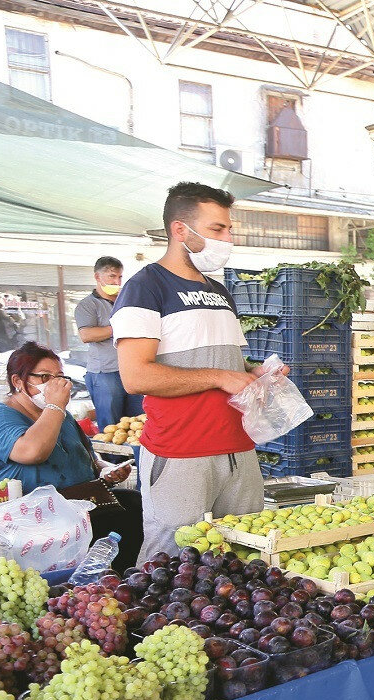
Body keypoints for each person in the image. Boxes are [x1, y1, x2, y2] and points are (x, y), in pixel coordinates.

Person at [113, 181, 283, 564]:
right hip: (181, 452)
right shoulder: (144, 288)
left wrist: (256, 372)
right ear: (180, 230)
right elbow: (136, 377)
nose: (227, 238)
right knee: (170, 562)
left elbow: (228, 364)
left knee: (242, 559)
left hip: (239, 449)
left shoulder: (220, 291)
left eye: (229, 229)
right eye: (217, 229)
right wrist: (219, 378)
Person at [0, 343, 142, 572]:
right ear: (18, 382)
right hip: (39, 521)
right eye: (45, 377)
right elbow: (33, 452)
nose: (57, 384)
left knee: (135, 506)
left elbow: (84, 456)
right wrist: (55, 405)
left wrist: (106, 469)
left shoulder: (61, 415)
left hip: (84, 505)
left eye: (60, 376)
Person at [74, 256, 143, 430]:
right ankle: (111, 459)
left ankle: (134, 458)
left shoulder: (126, 301)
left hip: (132, 369)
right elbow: (86, 334)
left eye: (119, 277)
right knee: (110, 425)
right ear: (98, 277)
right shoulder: (88, 305)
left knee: (136, 422)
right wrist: (119, 327)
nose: (117, 281)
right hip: (105, 372)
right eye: (112, 276)